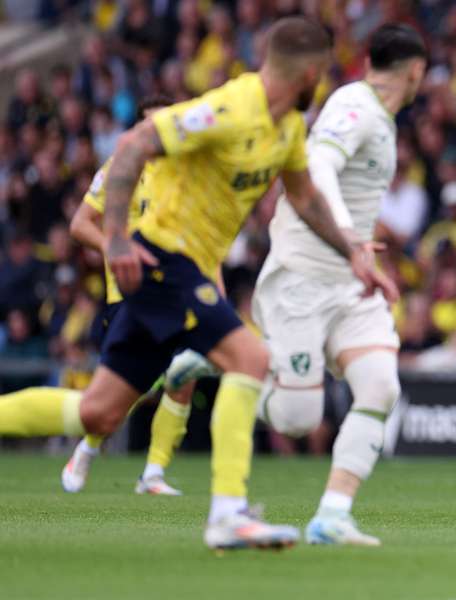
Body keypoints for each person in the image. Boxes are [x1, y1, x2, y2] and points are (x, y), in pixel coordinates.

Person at [0, 17, 394, 550]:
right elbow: (137, 142)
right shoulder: (229, 108)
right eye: (320, 71)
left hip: (175, 271)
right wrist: (115, 238)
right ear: (305, 71)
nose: (322, 81)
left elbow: (303, 197)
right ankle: (228, 513)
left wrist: (353, 253)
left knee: (97, 411)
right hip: (165, 257)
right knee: (250, 360)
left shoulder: (289, 128)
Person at [251, 23, 424, 546]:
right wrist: (349, 239)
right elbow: (317, 164)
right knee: (296, 420)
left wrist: (362, 255)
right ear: (415, 72)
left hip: (352, 283)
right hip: (303, 276)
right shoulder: (355, 106)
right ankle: (226, 363)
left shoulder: (382, 118)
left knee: (380, 386)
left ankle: (332, 515)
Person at [61, 95, 218, 496]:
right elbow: (80, 224)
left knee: (183, 377)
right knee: (127, 389)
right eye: (150, 123)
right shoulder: (120, 168)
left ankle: (153, 474)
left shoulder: (186, 172)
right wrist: (117, 249)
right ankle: (89, 447)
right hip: (130, 293)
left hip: (180, 291)